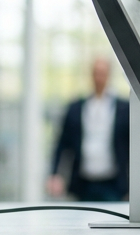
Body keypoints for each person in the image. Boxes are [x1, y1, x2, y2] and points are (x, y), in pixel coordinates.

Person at [48, 58, 130, 202]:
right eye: (96, 73)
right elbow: (62, 143)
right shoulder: (76, 108)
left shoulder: (124, 108)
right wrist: (55, 173)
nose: (99, 78)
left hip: (113, 183)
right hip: (83, 183)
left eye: (102, 73)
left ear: (108, 75)